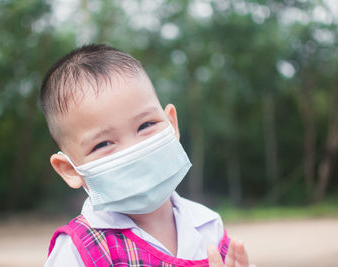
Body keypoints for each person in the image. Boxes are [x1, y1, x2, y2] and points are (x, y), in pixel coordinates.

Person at [41, 44, 252, 267]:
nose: (133, 150)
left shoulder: (208, 226)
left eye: (146, 125)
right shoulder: (79, 251)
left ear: (172, 123)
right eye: (103, 143)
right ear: (70, 169)